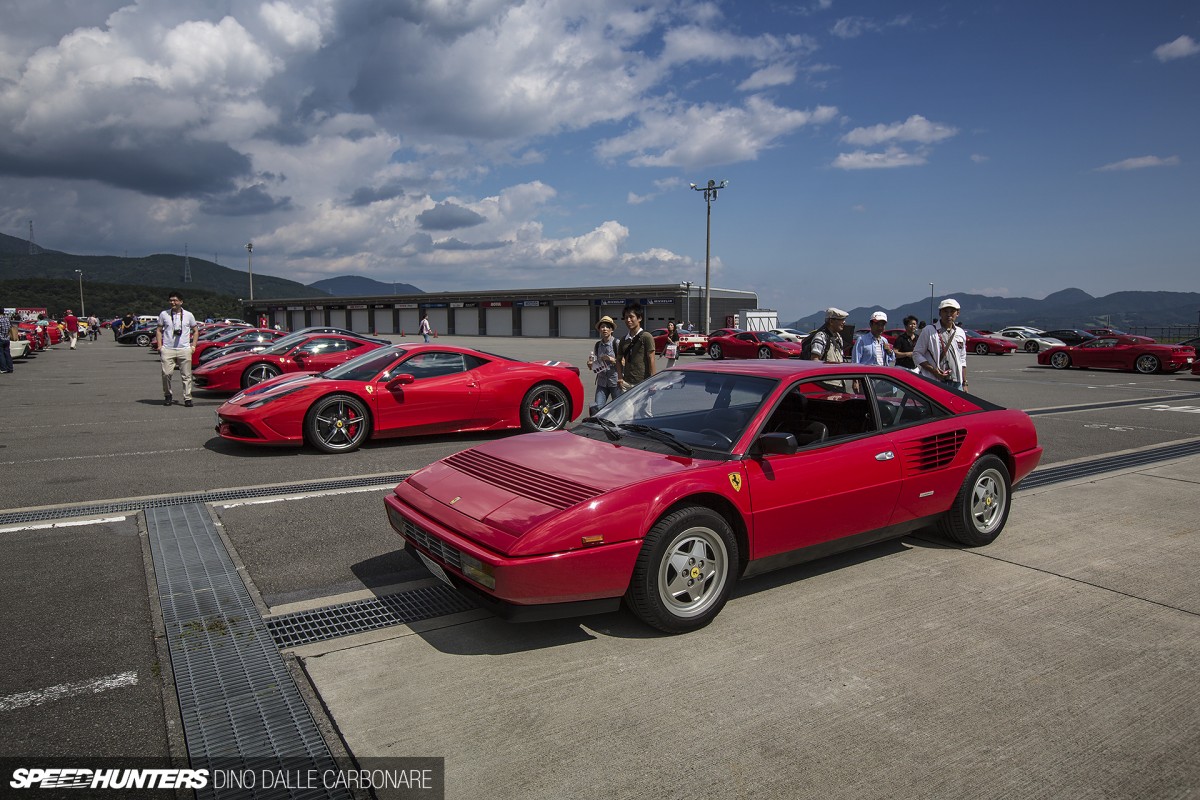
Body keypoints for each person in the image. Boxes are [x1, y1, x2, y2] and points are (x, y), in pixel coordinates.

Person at [156, 291, 200, 407]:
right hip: (168, 349)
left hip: (184, 349)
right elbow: (159, 330)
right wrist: (160, 346)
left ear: (181, 301)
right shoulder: (164, 314)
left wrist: (193, 346)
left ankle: (187, 398)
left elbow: (195, 331)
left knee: (186, 375)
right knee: (166, 374)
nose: (172, 302)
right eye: (171, 300)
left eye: (175, 300)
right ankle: (168, 395)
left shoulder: (189, 315)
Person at [914, 298, 968, 391]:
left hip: (956, 382)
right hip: (935, 380)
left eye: (952, 311)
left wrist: (964, 382)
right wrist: (934, 371)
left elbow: (962, 359)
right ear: (940, 313)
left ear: (957, 313)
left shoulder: (960, 332)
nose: (948, 314)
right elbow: (917, 354)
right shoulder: (929, 330)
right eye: (945, 311)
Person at [617, 302, 656, 389]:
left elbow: (651, 359)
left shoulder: (646, 336)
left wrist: (653, 381)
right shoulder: (623, 340)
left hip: (643, 383)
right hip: (626, 383)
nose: (628, 320)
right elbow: (618, 360)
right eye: (626, 317)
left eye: (631, 317)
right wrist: (620, 377)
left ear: (639, 318)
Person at [586, 316, 622, 410]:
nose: (604, 329)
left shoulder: (617, 343)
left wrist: (611, 359)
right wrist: (590, 364)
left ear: (611, 329)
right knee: (598, 407)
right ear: (599, 330)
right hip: (602, 382)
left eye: (607, 327)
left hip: (615, 382)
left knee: (619, 408)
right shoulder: (598, 345)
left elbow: (623, 362)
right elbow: (594, 365)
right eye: (602, 327)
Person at [0, 309, 13, 373]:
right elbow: (10, 328)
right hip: (7, 338)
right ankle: (10, 368)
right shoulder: (7, 319)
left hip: (1, 338)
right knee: (7, 354)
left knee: (1, 354)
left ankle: (3, 368)